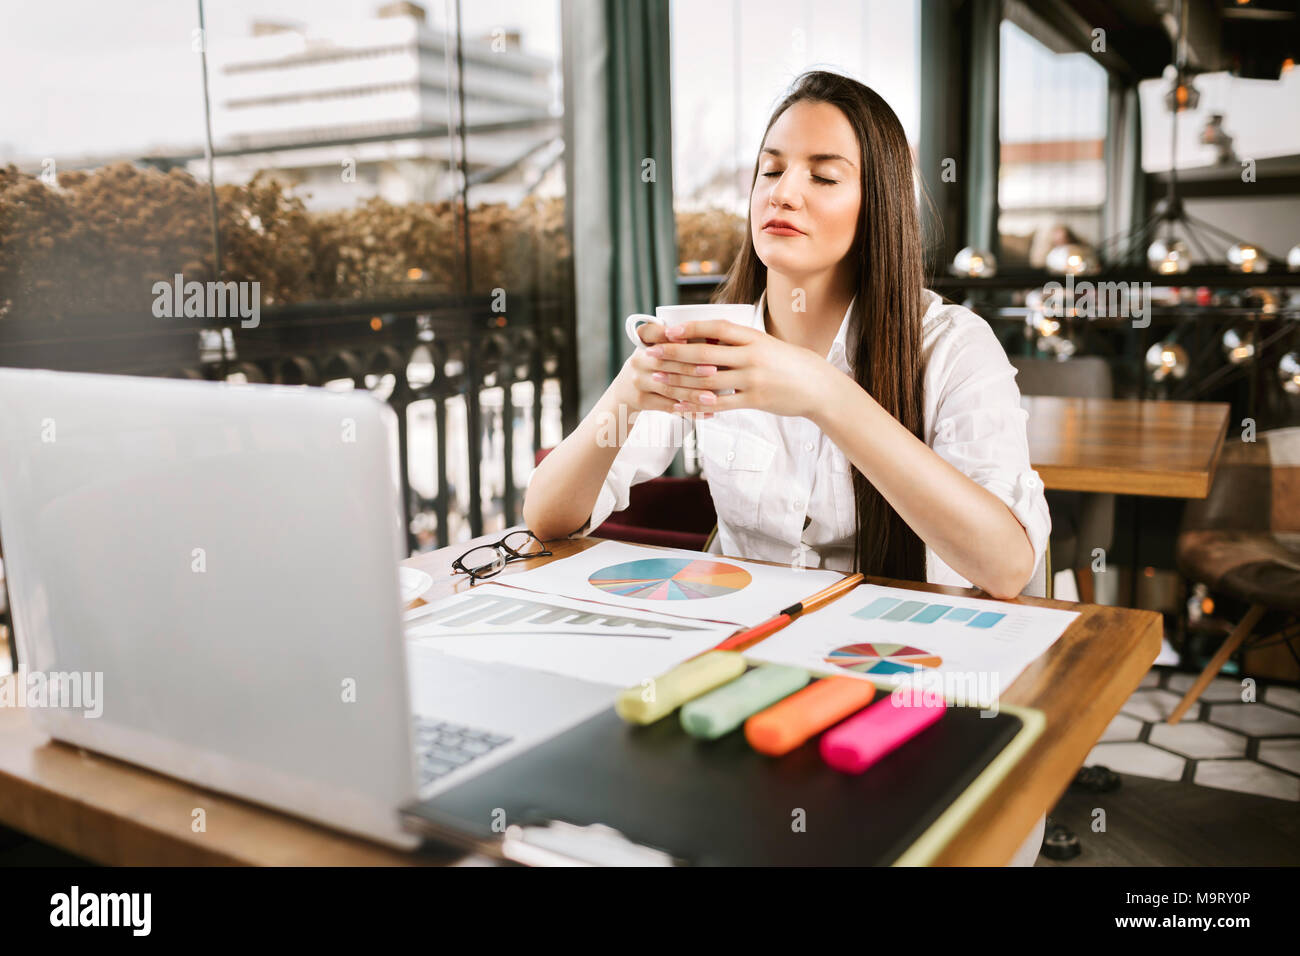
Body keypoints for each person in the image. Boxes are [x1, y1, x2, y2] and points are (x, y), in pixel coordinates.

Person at [523, 71, 1049, 865]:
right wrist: (627, 393)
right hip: (749, 672)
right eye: (770, 169)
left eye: (823, 175)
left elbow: (1006, 566)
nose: (784, 192)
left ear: (877, 205)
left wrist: (828, 396)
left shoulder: (951, 347)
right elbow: (548, 517)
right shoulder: (711, 336)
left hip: (906, 681)